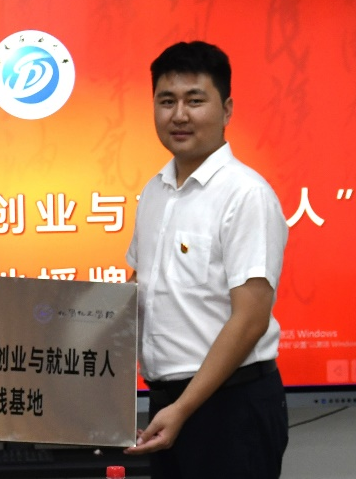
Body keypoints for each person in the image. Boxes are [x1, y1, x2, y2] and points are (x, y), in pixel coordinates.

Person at [123, 40, 289, 478]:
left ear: (227, 109)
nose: (179, 115)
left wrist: (183, 408)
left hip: (230, 407)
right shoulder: (155, 191)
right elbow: (141, 289)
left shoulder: (245, 194)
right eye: (166, 101)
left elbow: (250, 319)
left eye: (195, 101)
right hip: (167, 402)